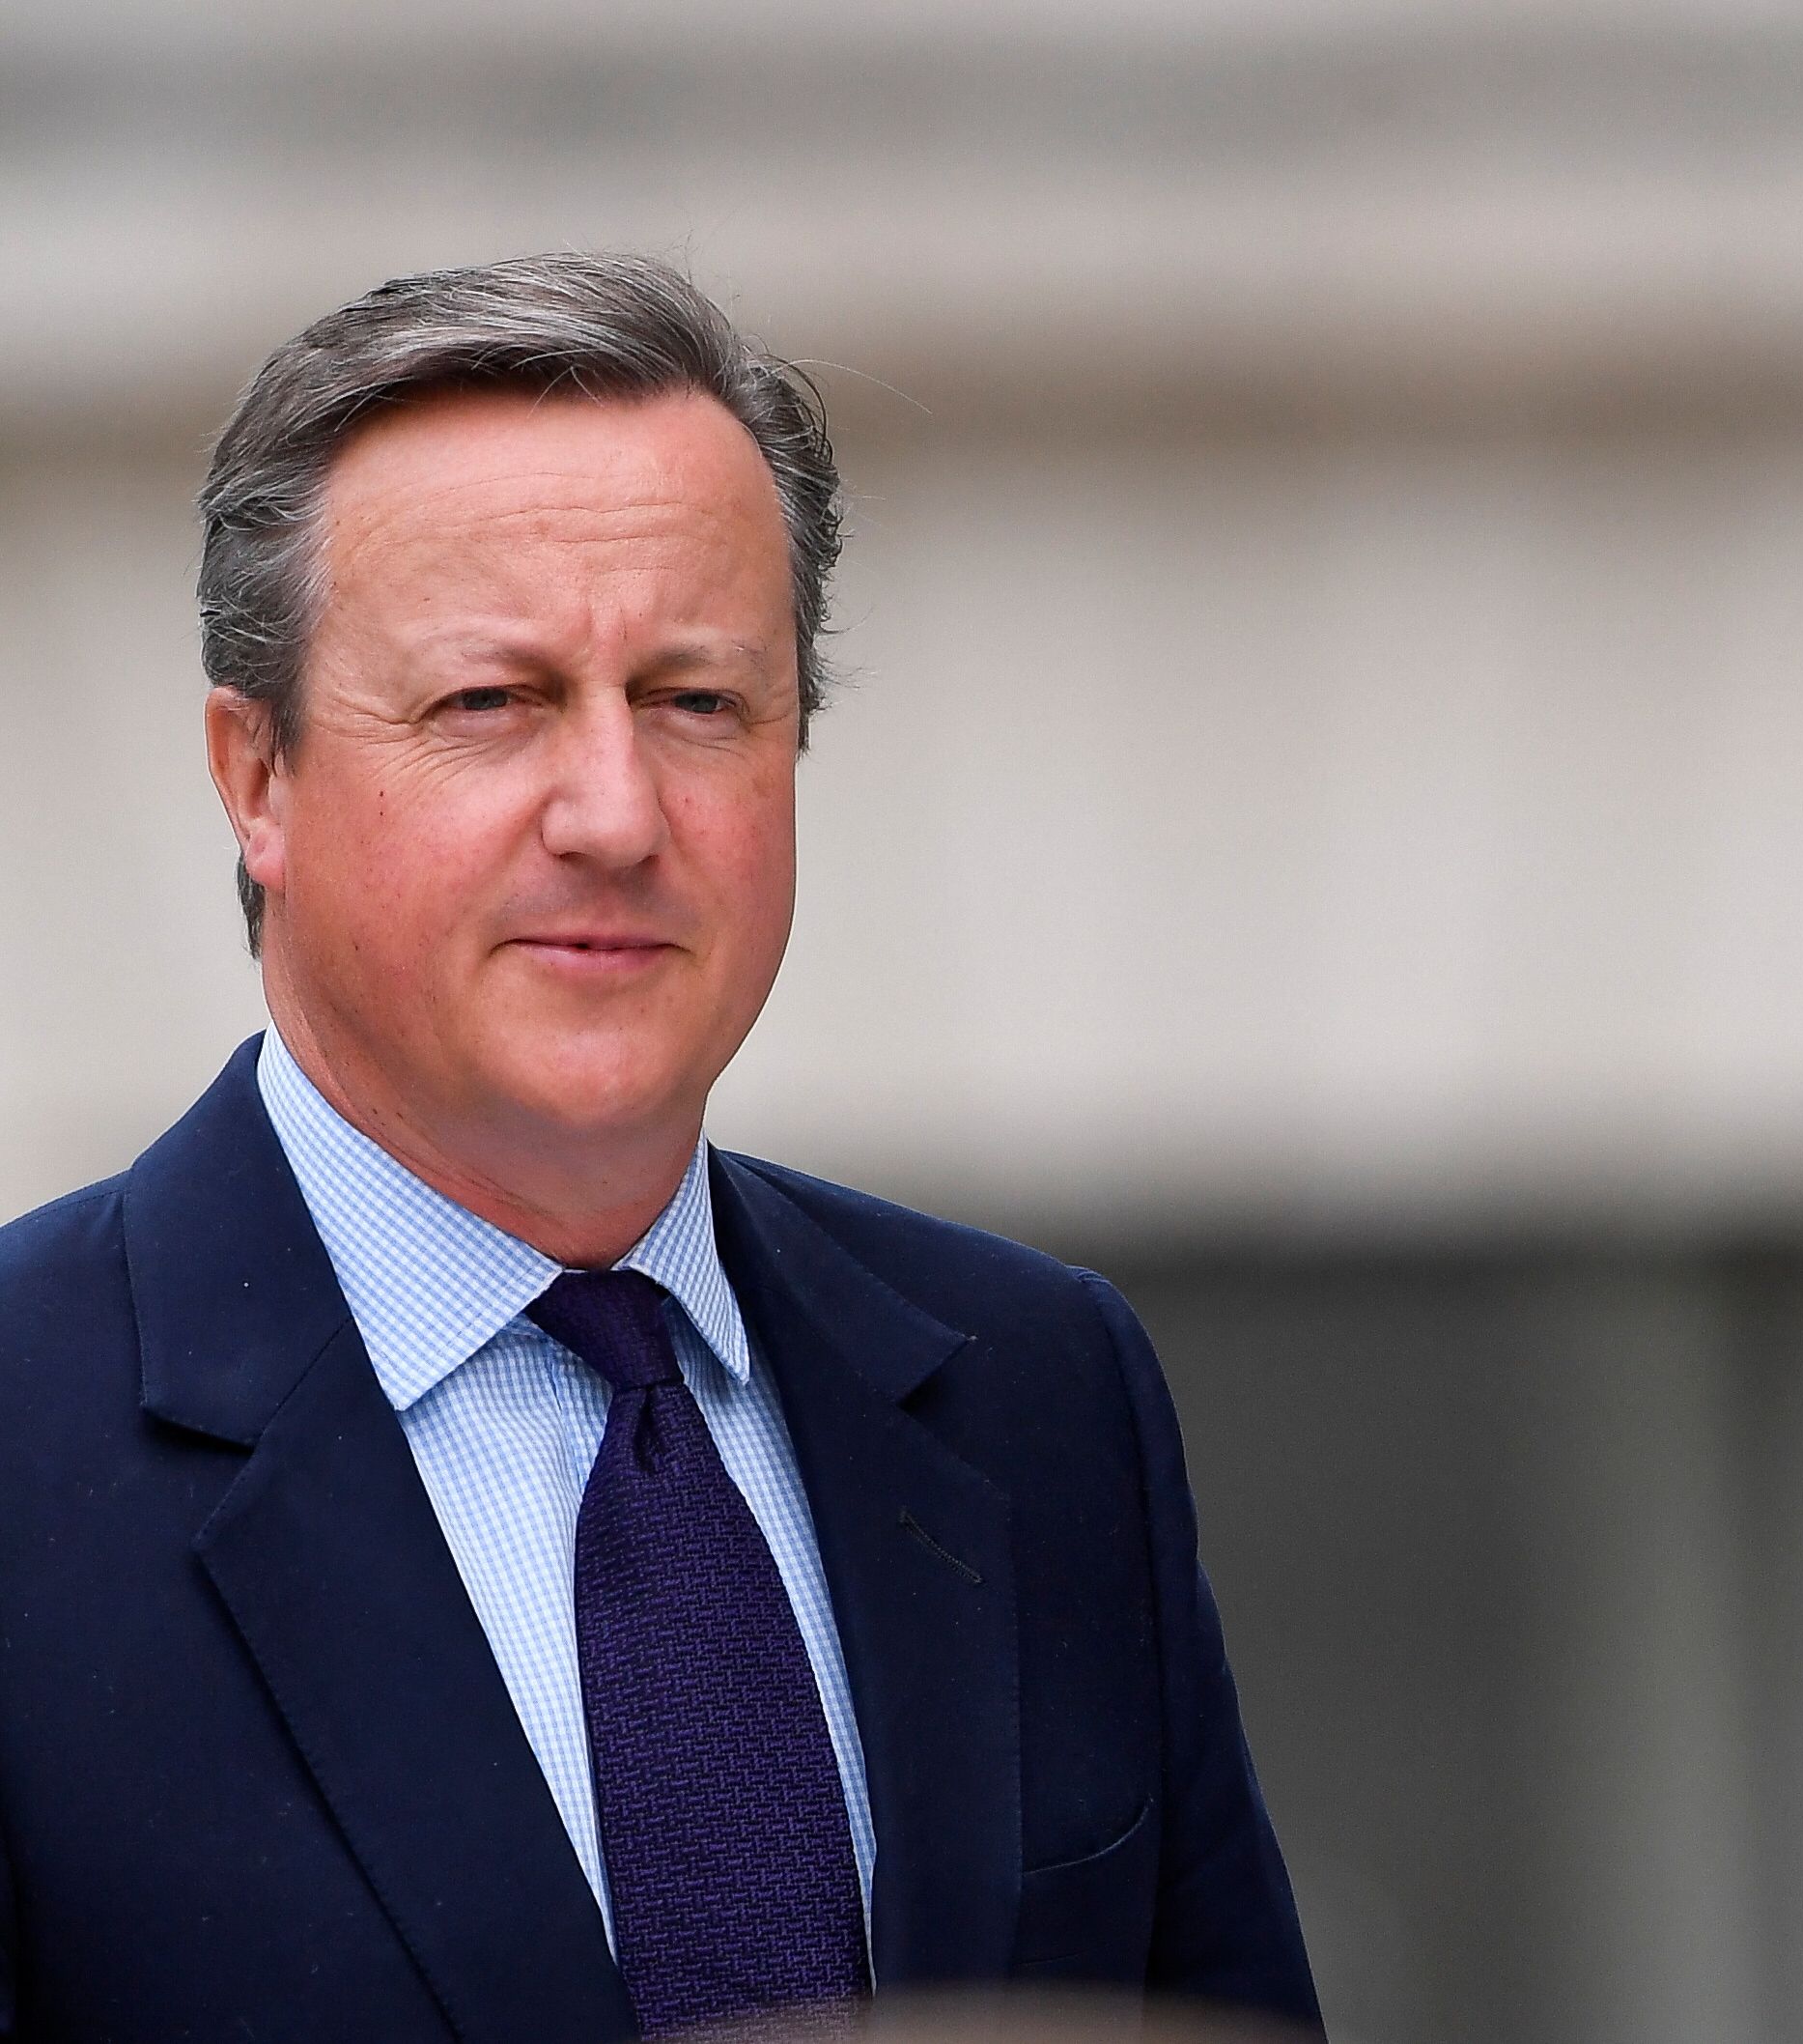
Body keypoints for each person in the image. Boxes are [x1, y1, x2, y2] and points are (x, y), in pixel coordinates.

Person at [0, 255, 1316, 2040]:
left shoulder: (1041, 1394)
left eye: (698, 702)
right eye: (493, 704)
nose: (616, 813)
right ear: (258, 778)